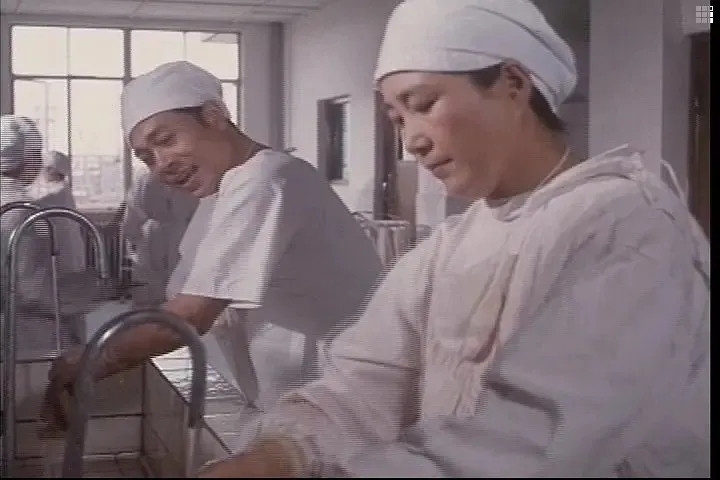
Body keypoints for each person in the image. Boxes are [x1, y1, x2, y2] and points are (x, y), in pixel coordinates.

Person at [196, 0, 710, 477]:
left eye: (423, 104)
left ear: (513, 84)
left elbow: (533, 440)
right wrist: (279, 455)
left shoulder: (624, 224)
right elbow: (367, 382)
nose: (411, 140)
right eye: (397, 119)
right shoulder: (453, 245)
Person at [41, 60, 383, 426]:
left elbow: (192, 314)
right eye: (146, 157)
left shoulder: (267, 179)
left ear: (214, 115)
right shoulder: (223, 190)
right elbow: (192, 299)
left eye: (166, 140)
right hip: (303, 400)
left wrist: (92, 359)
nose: (161, 165)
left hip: (343, 401)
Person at [122, 160, 198, 307]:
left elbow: (133, 215)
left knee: (159, 286)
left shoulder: (144, 176)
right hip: (179, 235)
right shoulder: (191, 173)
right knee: (173, 286)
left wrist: (133, 237)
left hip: (164, 236)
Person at [29, 150, 86, 274]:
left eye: (43, 168)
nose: (40, 172)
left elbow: (33, 204)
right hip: (60, 248)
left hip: (63, 250)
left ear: (51, 170)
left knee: (62, 282)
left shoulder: (59, 191)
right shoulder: (56, 188)